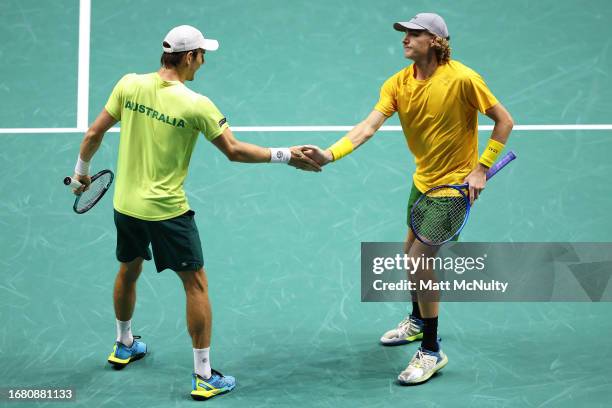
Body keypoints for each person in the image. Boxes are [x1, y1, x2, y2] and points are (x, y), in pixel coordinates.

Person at [70, 25, 321, 400]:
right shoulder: (196, 104)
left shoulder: (129, 85)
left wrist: (80, 173)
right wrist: (285, 155)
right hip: (168, 211)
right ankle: (203, 375)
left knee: (128, 269)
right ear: (189, 57)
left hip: (125, 205)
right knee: (196, 284)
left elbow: (93, 134)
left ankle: (124, 344)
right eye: (202, 54)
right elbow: (234, 151)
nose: (204, 61)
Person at [304, 13, 514, 384]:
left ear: (435, 40)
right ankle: (417, 321)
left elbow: (504, 121)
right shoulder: (398, 83)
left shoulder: (463, 79)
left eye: (414, 34)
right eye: (405, 33)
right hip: (423, 183)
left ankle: (431, 350)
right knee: (408, 254)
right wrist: (328, 154)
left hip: (452, 189)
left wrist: (481, 168)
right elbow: (367, 128)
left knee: (419, 260)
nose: (405, 39)